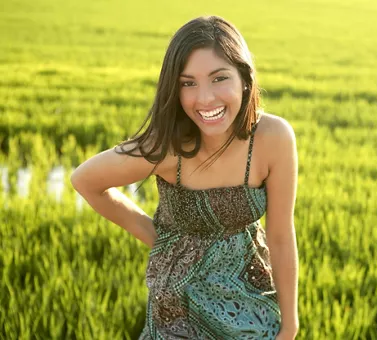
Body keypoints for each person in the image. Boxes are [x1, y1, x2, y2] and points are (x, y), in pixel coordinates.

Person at [71, 15, 299, 340]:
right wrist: (159, 238)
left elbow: (280, 235)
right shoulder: (167, 147)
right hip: (178, 310)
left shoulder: (273, 138)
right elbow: (86, 180)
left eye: (219, 78)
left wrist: (289, 325)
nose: (204, 98)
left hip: (252, 302)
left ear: (245, 78)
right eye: (188, 83)